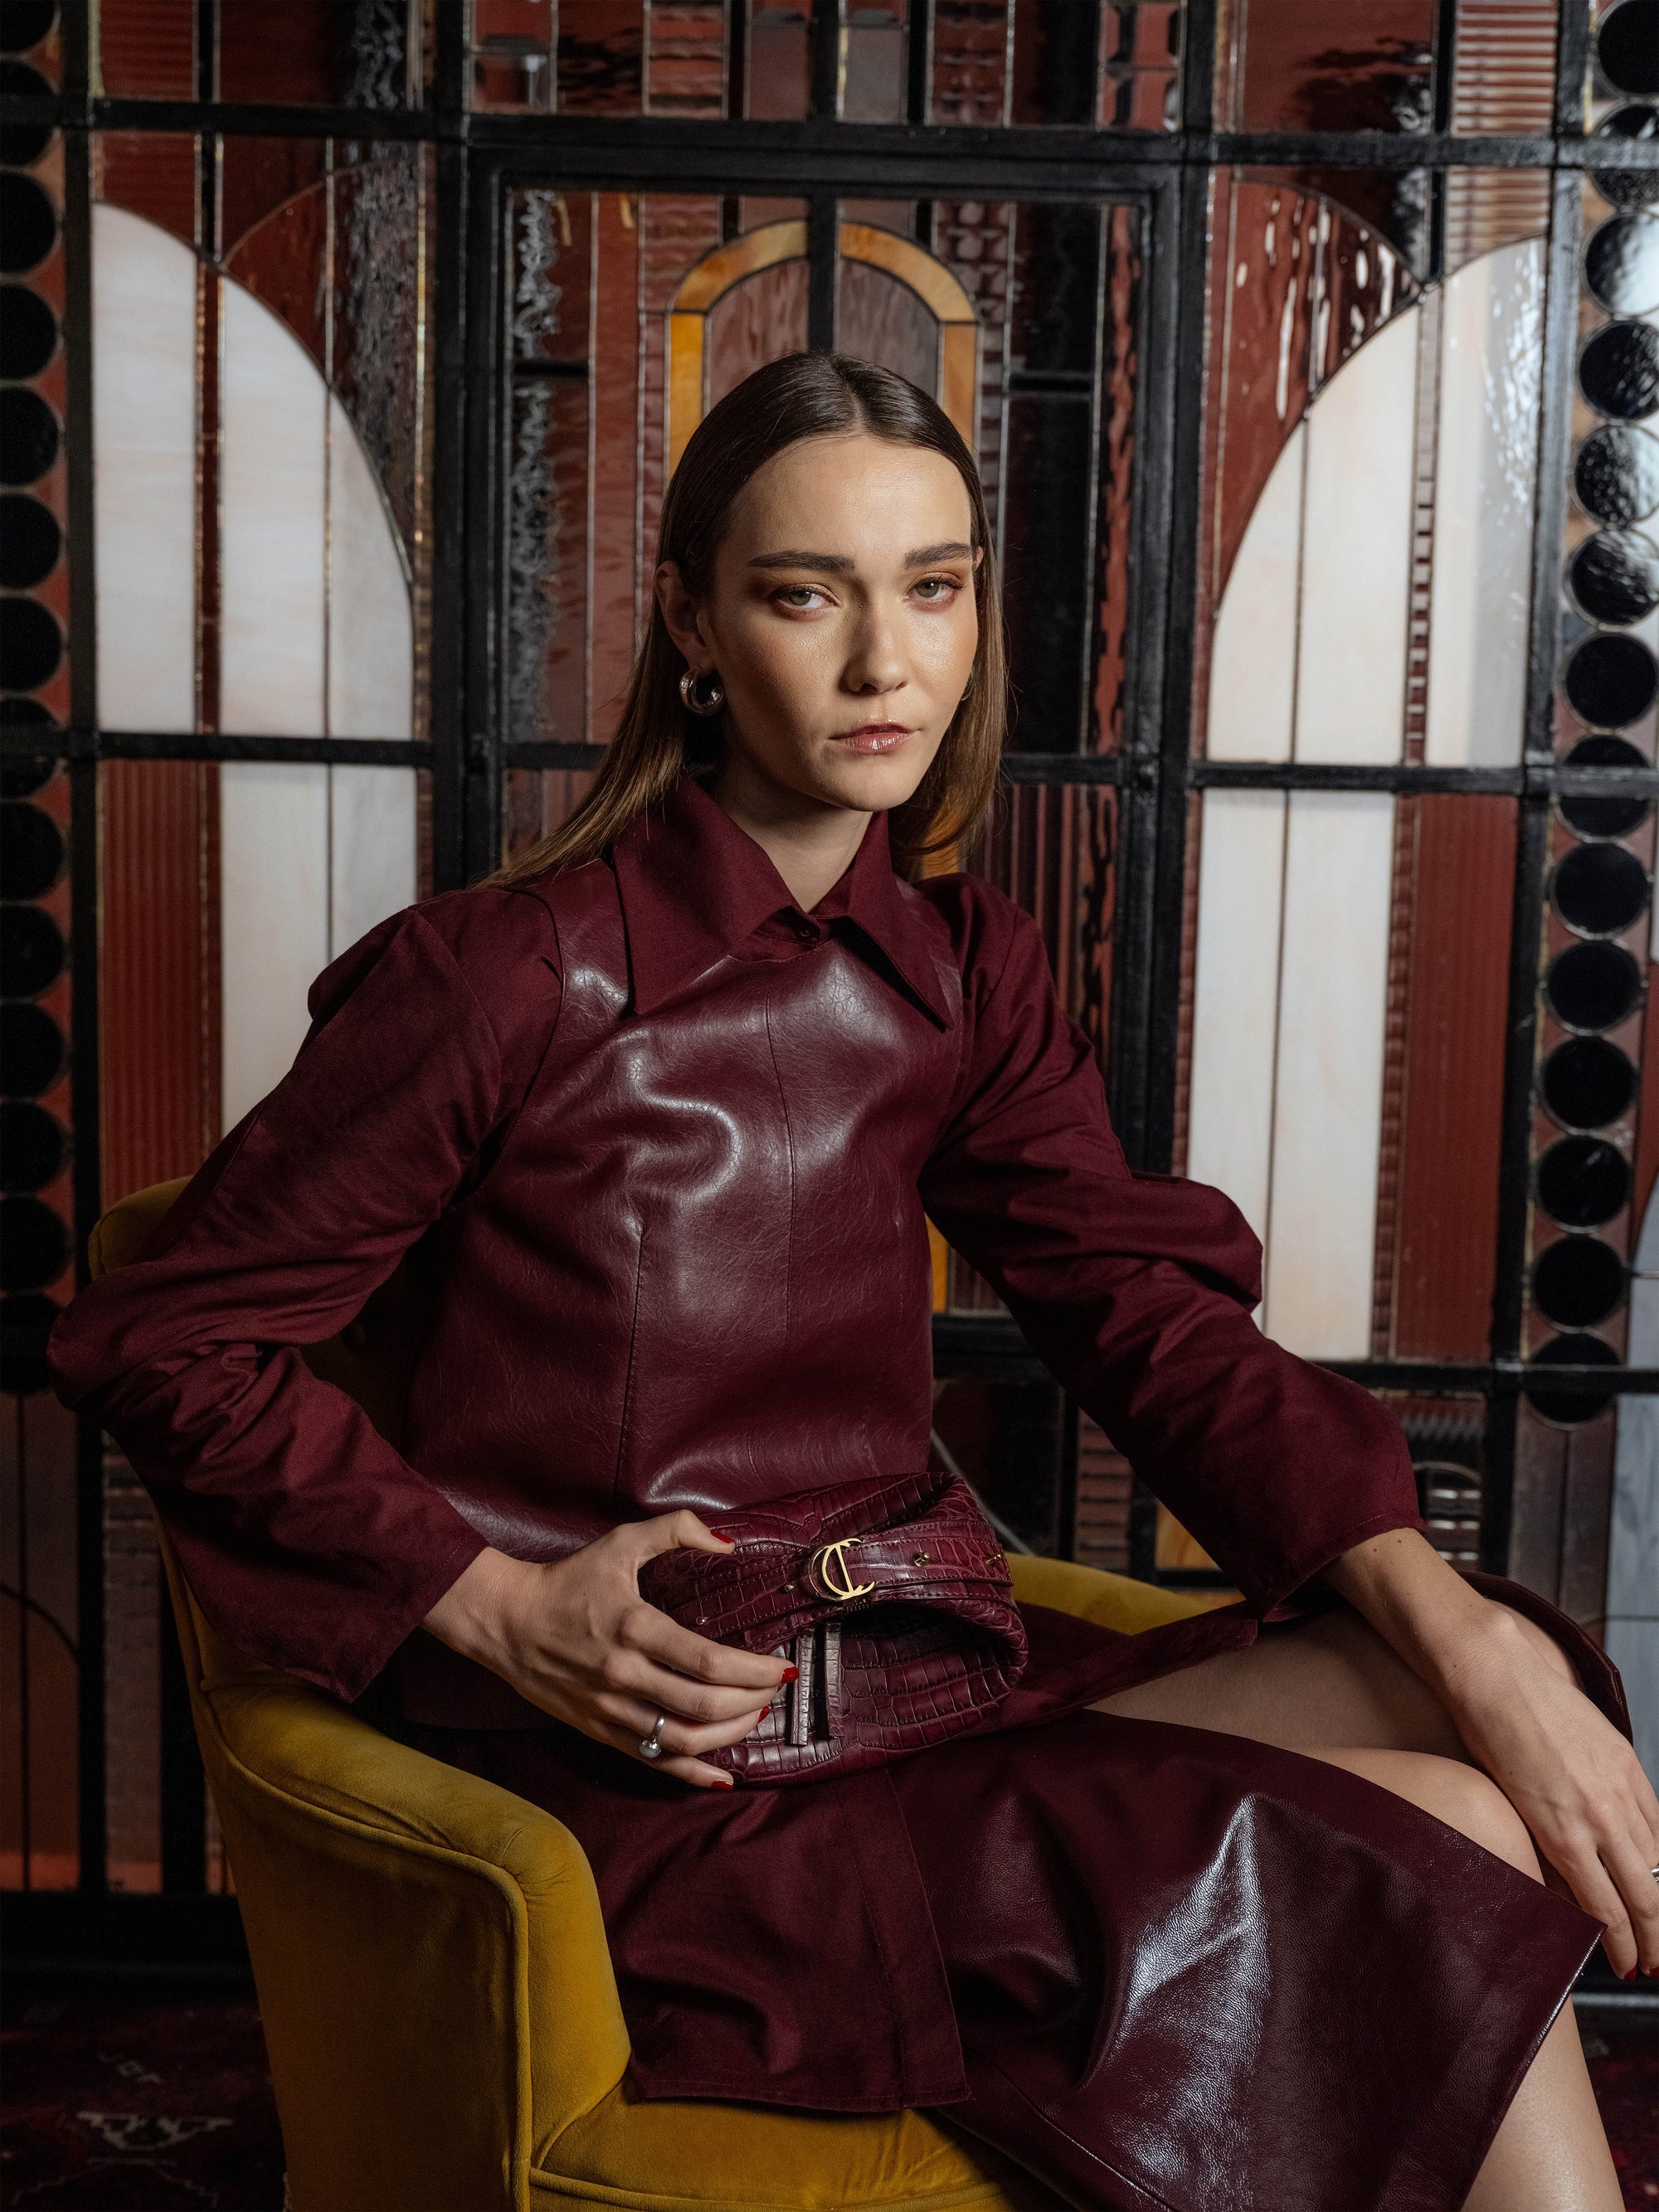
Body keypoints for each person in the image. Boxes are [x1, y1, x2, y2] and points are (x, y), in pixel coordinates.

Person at [52, 352, 1656, 2211]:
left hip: (926, 1691)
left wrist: (1458, 1625)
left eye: (935, 584)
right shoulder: (505, 977)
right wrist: (483, 1603)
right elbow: (164, 1335)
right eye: (806, 591)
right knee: (1440, 1836)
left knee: (1487, 1709)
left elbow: (1143, 1318)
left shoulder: (958, 964)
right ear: (691, 622)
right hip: (682, 1790)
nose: (885, 659)